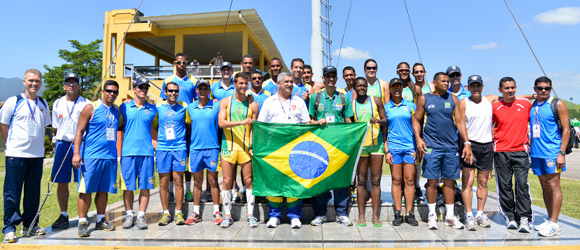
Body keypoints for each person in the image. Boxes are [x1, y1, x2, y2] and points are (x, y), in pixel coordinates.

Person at [413, 72, 472, 230]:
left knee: (449, 181)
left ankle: (450, 216)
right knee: (432, 181)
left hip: (451, 147)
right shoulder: (425, 98)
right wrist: (419, 139)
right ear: (434, 83)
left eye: (448, 81)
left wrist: (466, 143)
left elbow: (459, 122)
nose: (447, 83)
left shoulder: (453, 98)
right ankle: (432, 215)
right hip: (432, 147)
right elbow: (416, 119)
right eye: (443, 81)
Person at [257, 72, 313, 229]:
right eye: (286, 81)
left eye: (291, 82)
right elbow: (262, 126)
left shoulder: (299, 101)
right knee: (275, 182)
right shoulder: (269, 102)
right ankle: (274, 216)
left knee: (293, 181)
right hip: (274, 148)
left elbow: (306, 123)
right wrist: (259, 147)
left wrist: (318, 123)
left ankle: (294, 216)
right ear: (279, 84)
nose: (289, 84)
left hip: (295, 147)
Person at [1, 69, 50, 243]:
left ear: (41, 83)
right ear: (24, 82)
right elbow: (4, 125)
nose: (34, 84)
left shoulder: (43, 104)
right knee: (12, 193)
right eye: (31, 80)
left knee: (32, 193)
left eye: (37, 81)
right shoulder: (13, 102)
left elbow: (44, 128)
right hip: (16, 154)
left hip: (36, 156)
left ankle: (30, 224)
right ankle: (9, 228)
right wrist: (11, 145)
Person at [72, 80, 121, 237]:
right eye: (109, 90)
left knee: (103, 189)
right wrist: (76, 153)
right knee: (86, 190)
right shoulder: (91, 107)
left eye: (114, 92)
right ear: (103, 91)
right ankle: (82, 222)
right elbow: (79, 131)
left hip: (110, 157)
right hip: (92, 156)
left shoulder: (116, 111)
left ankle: (100, 219)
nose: (111, 94)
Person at [309, 66, 354, 227]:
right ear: (323, 78)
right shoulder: (315, 97)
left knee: (341, 179)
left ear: (336, 78)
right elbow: (309, 121)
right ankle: (320, 214)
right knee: (321, 179)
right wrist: (317, 122)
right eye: (328, 76)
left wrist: (352, 141)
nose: (331, 79)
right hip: (320, 146)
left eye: (333, 76)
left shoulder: (343, 98)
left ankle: (341, 213)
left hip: (339, 146)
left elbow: (349, 122)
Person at [218, 72, 260, 228]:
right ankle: (227, 215)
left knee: (249, 181)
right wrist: (242, 121)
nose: (243, 86)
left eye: (245, 83)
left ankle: (250, 215)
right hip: (228, 146)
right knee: (228, 180)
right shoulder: (226, 101)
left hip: (245, 148)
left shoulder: (253, 104)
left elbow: (255, 129)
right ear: (234, 84)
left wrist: (253, 146)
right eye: (240, 83)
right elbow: (221, 123)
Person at [492, 77, 533, 232]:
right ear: (500, 90)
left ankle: (524, 218)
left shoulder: (525, 104)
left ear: (516, 88)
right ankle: (510, 217)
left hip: (520, 151)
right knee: (505, 186)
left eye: (512, 87)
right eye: (506, 88)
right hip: (501, 151)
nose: (510, 91)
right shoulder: (495, 106)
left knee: (522, 185)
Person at [529, 76, 569, 237]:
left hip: (552, 152)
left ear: (550, 88)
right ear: (535, 89)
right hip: (537, 152)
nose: (543, 91)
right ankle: (549, 218)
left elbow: (566, 129)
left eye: (546, 88)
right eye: (540, 88)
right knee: (544, 185)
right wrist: (532, 97)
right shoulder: (534, 104)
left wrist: (562, 153)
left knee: (554, 185)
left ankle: (554, 223)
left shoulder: (557, 104)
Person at [50, 73, 89, 230]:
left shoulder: (86, 103)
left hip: (81, 145)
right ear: (64, 86)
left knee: (83, 182)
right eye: (68, 82)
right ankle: (64, 214)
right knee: (62, 182)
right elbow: (56, 125)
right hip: (63, 144)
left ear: (79, 86)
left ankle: (82, 218)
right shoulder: (57, 103)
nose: (71, 85)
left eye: (75, 82)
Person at [119, 77, 158, 230]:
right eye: (140, 87)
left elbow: (157, 127)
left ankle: (141, 216)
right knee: (128, 187)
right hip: (128, 152)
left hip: (147, 153)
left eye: (145, 87)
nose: (143, 90)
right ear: (134, 89)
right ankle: (129, 215)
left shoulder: (153, 109)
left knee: (145, 186)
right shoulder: (124, 107)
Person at [459, 75, 495, 231]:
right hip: (470, 145)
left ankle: (480, 213)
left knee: (483, 182)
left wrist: (533, 96)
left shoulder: (490, 99)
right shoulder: (464, 103)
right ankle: (468, 214)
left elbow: (511, 95)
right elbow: (460, 123)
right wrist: (466, 143)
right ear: (468, 87)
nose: (476, 88)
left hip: (487, 145)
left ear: (482, 86)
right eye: (472, 85)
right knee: (468, 181)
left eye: (478, 85)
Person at [185, 79, 222, 226]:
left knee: (213, 181)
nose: (202, 91)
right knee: (197, 182)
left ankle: (216, 211)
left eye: (205, 88)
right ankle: (196, 212)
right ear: (196, 91)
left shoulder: (216, 105)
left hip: (212, 148)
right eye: (200, 88)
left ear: (209, 91)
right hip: (195, 149)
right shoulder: (190, 108)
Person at [161, 53, 197, 203]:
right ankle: (169, 190)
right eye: (179, 62)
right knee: (169, 159)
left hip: (187, 124)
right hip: (171, 124)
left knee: (185, 158)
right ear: (174, 63)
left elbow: (196, 100)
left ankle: (187, 190)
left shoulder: (193, 81)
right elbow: (164, 102)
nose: (182, 64)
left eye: (184, 62)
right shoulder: (168, 81)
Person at [352, 77, 387, 227]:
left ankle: (375, 215)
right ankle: (361, 214)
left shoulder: (376, 100)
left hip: (376, 145)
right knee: (361, 181)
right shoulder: (351, 105)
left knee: (375, 181)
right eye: (359, 86)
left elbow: (386, 120)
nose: (362, 88)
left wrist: (378, 121)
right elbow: (348, 125)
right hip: (361, 147)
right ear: (354, 88)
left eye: (364, 86)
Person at [384, 78, 419, 226]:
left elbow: (417, 126)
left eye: (399, 86)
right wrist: (386, 150)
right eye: (394, 87)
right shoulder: (386, 107)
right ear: (390, 89)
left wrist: (418, 146)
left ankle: (409, 213)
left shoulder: (411, 106)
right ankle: (398, 213)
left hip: (410, 147)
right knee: (396, 180)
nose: (397, 89)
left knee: (409, 180)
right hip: (394, 148)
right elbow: (383, 130)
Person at [153, 82, 188, 226]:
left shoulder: (184, 108)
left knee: (178, 180)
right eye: (170, 91)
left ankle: (179, 212)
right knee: (164, 182)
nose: (173, 93)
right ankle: (166, 212)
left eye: (176, 91)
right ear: (165, 92)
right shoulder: (157, 108)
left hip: (179, 148)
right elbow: (149, 124)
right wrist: (154, 142)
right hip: (162, 148)